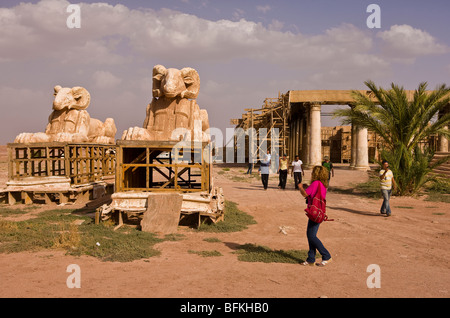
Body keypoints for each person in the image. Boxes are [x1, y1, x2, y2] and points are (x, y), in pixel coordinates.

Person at [298, 166, 332, 266]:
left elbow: (305, 194)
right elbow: (313, 193)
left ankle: (326, 255)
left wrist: (300, 187)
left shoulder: (316, 183)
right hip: (319, 212)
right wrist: (307, 186)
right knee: (311, 235)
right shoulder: (322, 185)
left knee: (311, 236)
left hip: (314, 212)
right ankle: (311, 259)